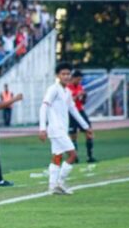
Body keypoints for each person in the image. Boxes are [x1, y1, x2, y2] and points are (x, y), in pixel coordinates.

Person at [39, 63, 92, 195]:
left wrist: (86, 127)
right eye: (63, 74)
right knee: (73, 155)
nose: (66, 76)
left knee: (57, 156)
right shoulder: (53, 89)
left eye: (68, 74)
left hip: (62, 129)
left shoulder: (67, 92)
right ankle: (60, 183)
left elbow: (73, 110)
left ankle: (52, 186)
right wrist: (42, 128)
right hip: (55, 129)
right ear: (58, 75)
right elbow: (44, 107)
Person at [67, 70, 96, 163]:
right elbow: (67, 101)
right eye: (78, 79)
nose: (79, 81)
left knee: (89, 132)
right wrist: (77, 96)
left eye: (80, 80)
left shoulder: (80, 86)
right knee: (73, 135)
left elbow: (82, 102)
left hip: (80, 111)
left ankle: (90, 156)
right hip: (71, 113)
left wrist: (84, 96)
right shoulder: (67, 88)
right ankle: (75, 157)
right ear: (73, 78)